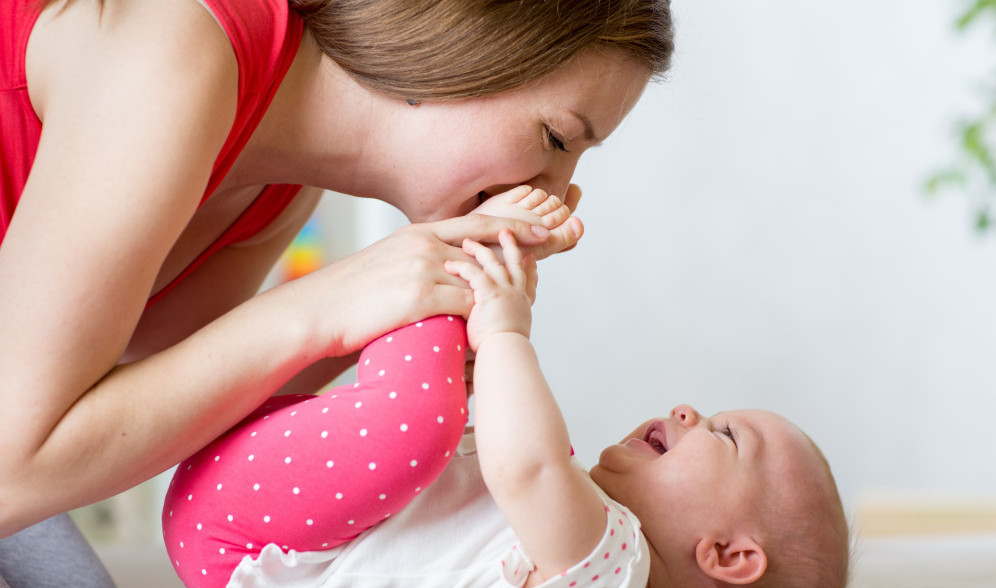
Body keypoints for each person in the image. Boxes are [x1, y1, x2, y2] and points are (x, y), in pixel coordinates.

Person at [0, 0, 673, 584]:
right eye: (556, 138)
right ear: (465, 47)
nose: (555, 194)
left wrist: (395, 329)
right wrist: (325, 308)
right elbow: (15, 473)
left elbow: (152, 405)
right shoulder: (179, 54)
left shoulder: (281, 184)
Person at [163, 189, 850, 587]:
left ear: (730, 555)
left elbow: (525, 466)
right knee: (476, 426)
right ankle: (463, 257)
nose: (688, 410)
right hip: (263, 537)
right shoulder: (572, 538)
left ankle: (457, 234)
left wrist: (504, 328)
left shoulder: (617, 565)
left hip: (251, 542)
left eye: (726, 434)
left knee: (439, 421)